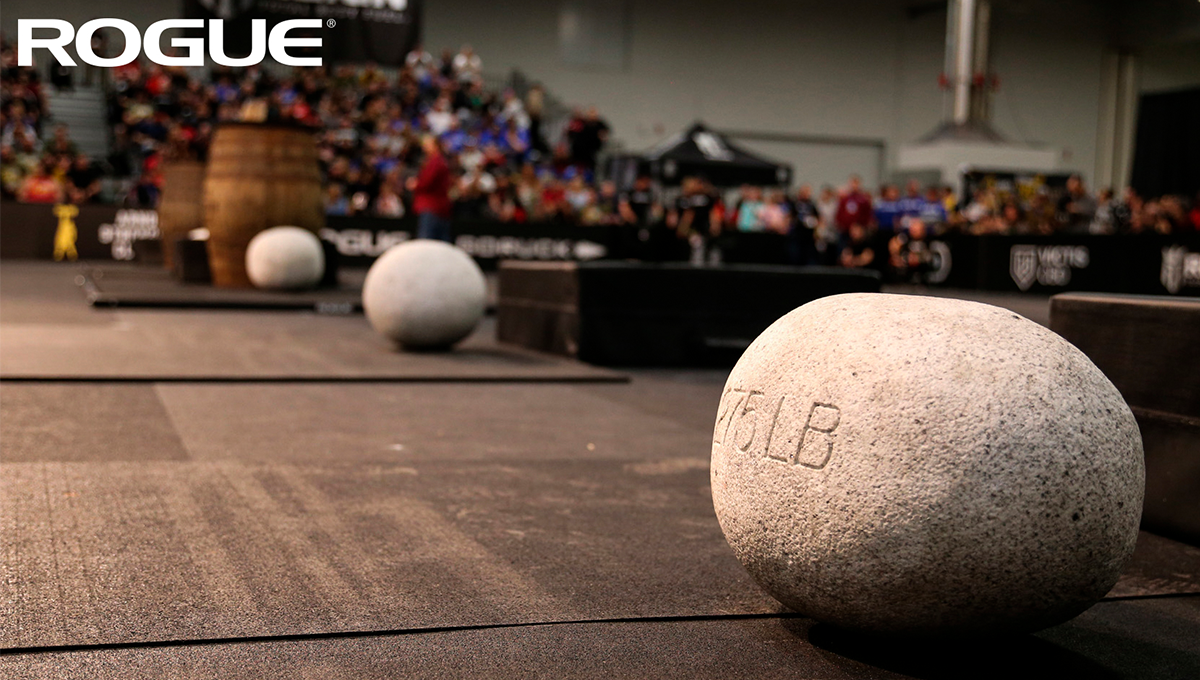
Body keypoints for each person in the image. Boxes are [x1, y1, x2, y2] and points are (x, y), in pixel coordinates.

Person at [408, 135, 453, 241]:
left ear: (435, 146)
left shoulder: (435, 162)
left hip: (431, 208)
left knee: (426, 242)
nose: (424, 147)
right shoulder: (439, 161)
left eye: (427, 145)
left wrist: (415, 184)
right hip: (438, 208)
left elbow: (427, 182)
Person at [835, 174, 873, 240]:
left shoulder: (863, 199)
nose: (854, 186)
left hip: (860, 230)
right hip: (845, 229)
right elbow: (840, 213)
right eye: (852, 183)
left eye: (856, 183)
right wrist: (842, 225)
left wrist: (860, 226)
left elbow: (867, 214)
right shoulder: (845, 199)